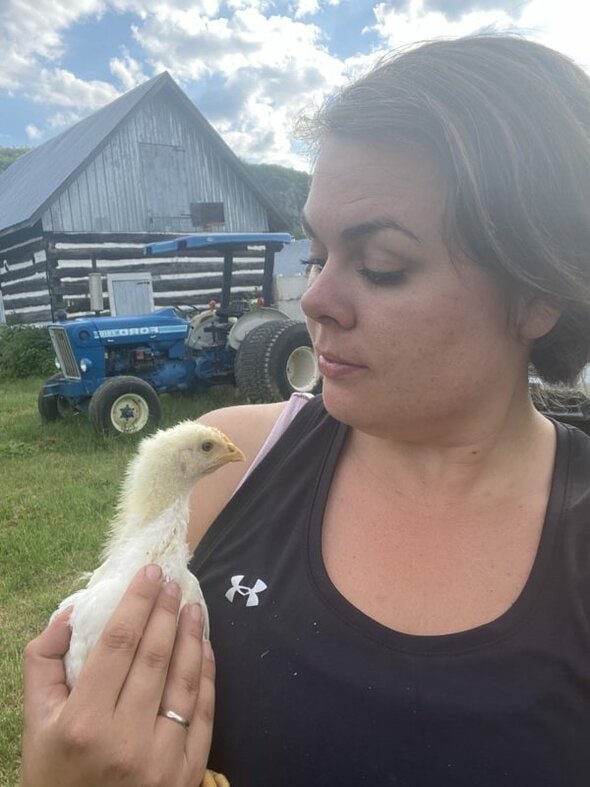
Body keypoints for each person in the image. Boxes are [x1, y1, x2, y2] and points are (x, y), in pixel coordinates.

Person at [22, 34, 590, 786]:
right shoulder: (222, 467)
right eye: (317, 255)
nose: (316, 300)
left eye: (382, 266)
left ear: (537, 295)